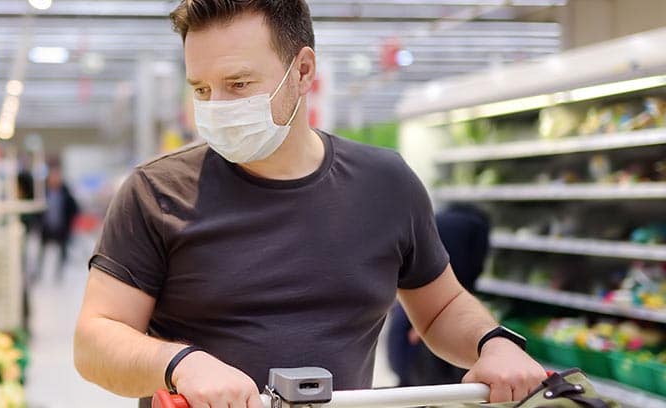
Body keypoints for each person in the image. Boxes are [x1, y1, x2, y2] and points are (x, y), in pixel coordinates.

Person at [73, 2, 547, 407]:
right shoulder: (157, 192)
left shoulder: (386, 184)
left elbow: (441, 307)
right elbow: (95, 341)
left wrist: (493, 344)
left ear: (302, 72)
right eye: (201, 89)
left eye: (238, 84)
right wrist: (180, 363)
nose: (216, 106)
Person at [389, 204, 493, 387]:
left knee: (409, 383)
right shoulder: (476, 226)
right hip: (436, 319)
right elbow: (470, 271)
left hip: (411, 313)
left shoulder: (437, 220)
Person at [36, 165, 79, 283]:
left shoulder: (65, 193)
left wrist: (69, 223)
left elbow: (75, 209)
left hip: (61, 228)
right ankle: (40, 274)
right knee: (42, 252)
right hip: (47, 228)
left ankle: (58, 275)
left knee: (62, 253)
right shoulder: (43, 193)